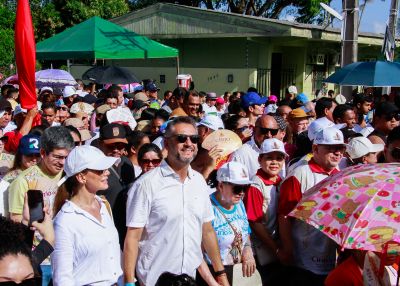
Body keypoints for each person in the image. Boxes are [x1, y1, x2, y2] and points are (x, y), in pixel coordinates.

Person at [124, 116, 228, 286]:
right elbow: (132, 238)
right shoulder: (146, 184)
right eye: (181, 138)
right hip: (154, 281)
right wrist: (129, 282)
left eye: (194, 139)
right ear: (166, 144)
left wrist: (220, 274)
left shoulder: (199, 182)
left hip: (189, 280)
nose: (189, 143)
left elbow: (207, 231)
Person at [278, 127, 345, 285]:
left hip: (330, 258)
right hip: (304, 259)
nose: (337, 153)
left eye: (340, 148)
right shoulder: (300, 174)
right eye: (331, 148)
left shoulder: (341, 175)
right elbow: (285, 215)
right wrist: (288, 249)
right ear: (315, 148)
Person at [8, 126, 74, 285]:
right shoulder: (23, 182)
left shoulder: (70, 175)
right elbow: (15, 222)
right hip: (42, 259)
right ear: (43, 153)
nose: (62, 163)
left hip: (69, 255)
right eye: (57, 157)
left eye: (66, 157)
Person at [52, 145, 122, 285]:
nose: (107, 172)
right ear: (81, 177)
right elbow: (62, 277)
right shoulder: (65, 220)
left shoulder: (103, 205)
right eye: (100, 170)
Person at [197, 161, 256, 285]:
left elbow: (245, 232)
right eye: (237, 188)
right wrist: (213, 282)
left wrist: (248, 251)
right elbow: (197, 253)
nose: (242, 193)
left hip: (238, 272)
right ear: (221, 186)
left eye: (245, 187)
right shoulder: (206, 208)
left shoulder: (239, 204)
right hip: (214, 274)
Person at [244, 138, 287, 284]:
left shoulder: (280, 180)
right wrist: (276, 250)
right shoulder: (256, 185)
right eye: (269, 158)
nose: (274, 162)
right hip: (264, 248)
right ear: (260, 159)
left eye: (279, 158)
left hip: (276, 245)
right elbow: (255, 223)